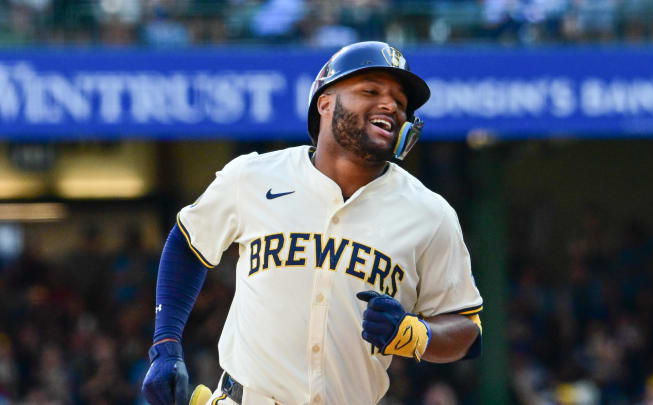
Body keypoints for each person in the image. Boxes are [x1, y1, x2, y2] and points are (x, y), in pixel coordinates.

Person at [141, 41, 484, 405]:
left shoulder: (430, 214)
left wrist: (414, 334)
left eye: (400, 102)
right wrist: (166, 345)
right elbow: (187, 242)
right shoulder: (253, 176)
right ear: (325, 103)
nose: (390, 105)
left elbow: (468, 331)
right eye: (371, 90)